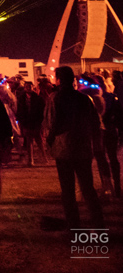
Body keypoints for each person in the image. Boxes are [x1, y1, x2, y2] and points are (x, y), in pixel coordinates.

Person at [45, 67, 104, 227]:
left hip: (64, 150)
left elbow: (52, 123)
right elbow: (95, 122)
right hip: (83, 149)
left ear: (59, 79)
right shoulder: (84, 99)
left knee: (68, 190)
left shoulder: (55, 98)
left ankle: (74, 225)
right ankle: (98, 223)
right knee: (87, 188)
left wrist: (49, 141)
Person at [15, 81, 47, 166]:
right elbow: (20, 111)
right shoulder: (21, 99)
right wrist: (21, 121)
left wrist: (40, 122)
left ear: (33, 87)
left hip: (36, 123)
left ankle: (44, 157)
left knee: (39, 141)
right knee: (29, 142)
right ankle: (30, 160)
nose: (28, 88)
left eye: (29, 86)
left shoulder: (38, 98)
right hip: (26, 123)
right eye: (26, 87)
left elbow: (42, 111)